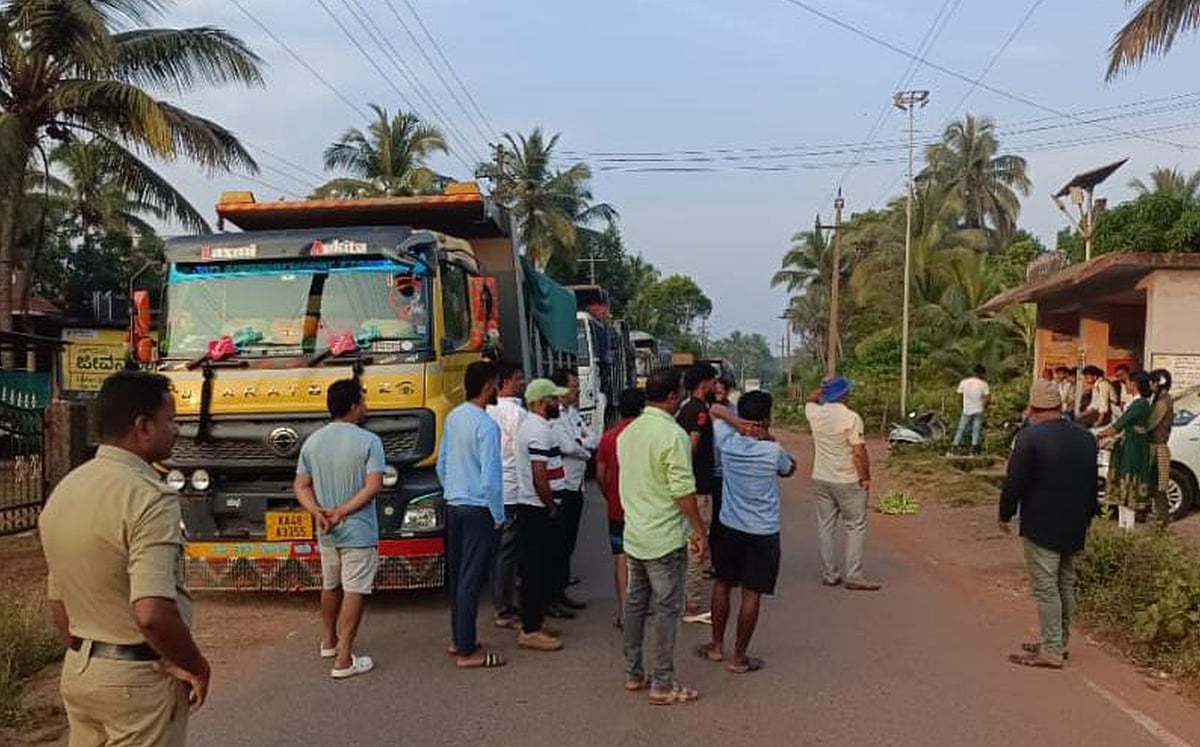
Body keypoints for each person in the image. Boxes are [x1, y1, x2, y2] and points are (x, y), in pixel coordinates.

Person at [39, 371, 206, 746]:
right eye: (171, 420)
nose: (176, 430)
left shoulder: (67, 490)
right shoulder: (149, 497)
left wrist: (93, 657)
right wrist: (196, 665)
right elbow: (152, 613)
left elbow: (59, 603)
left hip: (81, 672)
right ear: (143, 427)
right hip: (138, 682)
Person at [619, 368, 708, 705]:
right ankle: (663, 683)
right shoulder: (673, 436)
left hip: (636, 535)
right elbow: (683, 492)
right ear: (673, 396)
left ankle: (632, 673)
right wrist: (699, 530)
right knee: (667, 611)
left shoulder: (629, 432)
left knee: (635, 605)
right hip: (665, 537)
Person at [999, 381, 1098, 669]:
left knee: (1046, 587)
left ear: (1032, 409)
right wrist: (1089, 515)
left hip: (1041, 522)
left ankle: (1052, 649)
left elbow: (1014, 481)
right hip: (1075, 522)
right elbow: (1092, 482)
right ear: (1059, 406)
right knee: (1065, 581)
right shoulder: (1086, 438)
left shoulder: (1030, 438)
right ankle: (1059, 640)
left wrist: (1004, 514)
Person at [696, 391, 796, 674]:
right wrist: (767, 436)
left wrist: (737, 423)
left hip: (729, 527)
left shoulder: (727, 442)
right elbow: (789, 470)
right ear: (767, 419)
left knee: (723, 583)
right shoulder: (773, 451)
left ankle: (716, 646)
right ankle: (739, 658)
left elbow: (715, 409)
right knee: (752, 594)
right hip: (763, 532)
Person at [294, 378, 386, 679]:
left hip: (326, 530)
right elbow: (374, 486)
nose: (366, 405)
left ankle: (329, 641)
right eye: (363, 399)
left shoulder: (313, 442)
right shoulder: (369, 442)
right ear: (353, 406)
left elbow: (301, 485)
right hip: (358, 530)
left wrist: (317, 511)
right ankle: (344, 659)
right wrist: (342, 512)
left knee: (330, 584)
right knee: (355, 589)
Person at [438, 361, 506, 669]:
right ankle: (467, 650)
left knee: (458, 579)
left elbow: (442, 464)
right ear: (489, 385)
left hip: (454, 504)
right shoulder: (487, 425)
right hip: (479, 508)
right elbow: (491, 479)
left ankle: (458, 638)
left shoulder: (454, 417)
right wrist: (499, 515)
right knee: (471, 580)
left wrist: (453, 488)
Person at [806, 376, 881, 591]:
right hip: (847, 478)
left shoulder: (815, 413)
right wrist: (865, 477)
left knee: (825, 526)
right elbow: (858, 452)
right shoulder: (851, 418)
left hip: (821, 476)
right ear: (844, 394)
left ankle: (830, 573)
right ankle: (853, 574)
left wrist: (822, 387)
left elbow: (810, 399)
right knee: (855, 526)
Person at [512, 378, 571, 651]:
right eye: (553, 400)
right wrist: (552, 506)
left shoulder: (535, 426)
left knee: (538, 567)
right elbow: (539, 475)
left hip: (536, 506)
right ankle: (530, 629)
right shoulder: (538, 430)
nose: (557, 404)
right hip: (537, 508)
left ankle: (533, 621)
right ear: (539, 403)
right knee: (535, 570)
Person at [595, 387, 646, 629]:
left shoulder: (608, 437)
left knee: (621, 559)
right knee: (646, 561)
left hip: (617, 508)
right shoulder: (646, 437)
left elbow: (601, 476)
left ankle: (625, 612)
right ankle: (643, 608)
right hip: (645, 510)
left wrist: (610, 496)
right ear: (641, 409)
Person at [550, 369, 596, 615]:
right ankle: (553, 596)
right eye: (573, 385)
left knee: (568, 542)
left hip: (576, 485)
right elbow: (567, 446)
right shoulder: (554, 416)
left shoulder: (572, 414)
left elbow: (592, 437)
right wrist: (584, 449)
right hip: (563, 486)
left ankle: (562, 590)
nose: (578, 389)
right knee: (557, 544)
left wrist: (581, 446)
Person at [676, 364, 718, 624]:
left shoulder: (685, 408)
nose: (716, 385)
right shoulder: (699, 411)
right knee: (697, 544)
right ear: (704, 383)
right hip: (698, 488)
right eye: (713, 381)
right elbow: (691, 446)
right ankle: (692, 605)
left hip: (692, 486)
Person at [486, 362, 527, 629]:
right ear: (507, 382)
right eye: (519, 379)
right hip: (513, 491)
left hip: (492, 491)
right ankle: (504, 607)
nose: (522, 383)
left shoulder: (486, 412)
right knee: (507, 552)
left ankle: (501, 600)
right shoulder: (518, 414)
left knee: (498, 551)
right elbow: (524, 455)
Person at [1098, 371, 1155, 531]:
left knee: (1129, 485)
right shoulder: (1137, 403)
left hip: (1133, 448)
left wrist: (1098, 435)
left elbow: (1119, 425)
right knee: (1123, 488)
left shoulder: (1140, 404)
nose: (1126, 385)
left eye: (1128, 382)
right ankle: (1123, 527)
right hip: (1128, 446)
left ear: (1134, 384)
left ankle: (1128, 529)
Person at [1147, 369, 1176, 526]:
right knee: (1156, 487)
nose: (1150, 385)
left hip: (1157, 449)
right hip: (1158, 448)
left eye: (1152, 381)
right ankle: (1160, 520)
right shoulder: (1162, 399)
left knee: (1158, 488)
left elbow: (1150, 424)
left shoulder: (1163, 401)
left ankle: (1163, 520)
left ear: (1159, 382)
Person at [950, 365, 990, 454]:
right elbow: (987, 398)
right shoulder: (984, 384)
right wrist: (983, 407)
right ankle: (973, 449)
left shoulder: (964, 382)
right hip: (978, 409)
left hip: (966, 409)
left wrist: (962, 406)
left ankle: (954, 447)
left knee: (961, 428)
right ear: (982, 373)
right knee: (976, 429)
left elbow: (959, 396)